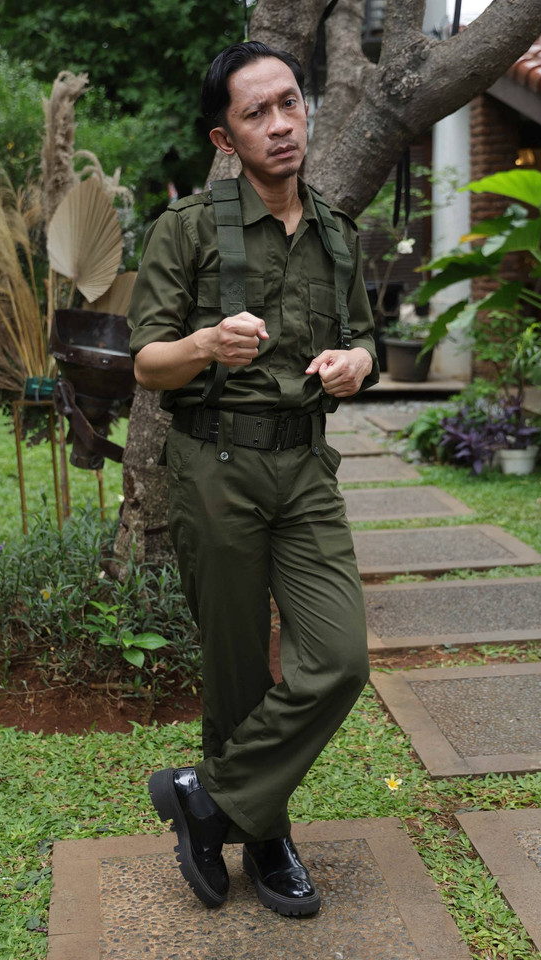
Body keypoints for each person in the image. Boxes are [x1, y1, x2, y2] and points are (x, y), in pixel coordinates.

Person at [127, 40, 379, 917]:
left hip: (305, 465)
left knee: (339, 658)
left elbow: (366, 339)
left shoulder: (338, 234)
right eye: (256, 113)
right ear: (224, 136)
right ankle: (265, 835)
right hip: (215, 464)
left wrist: (359, 362)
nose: (280, 124)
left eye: (289, 104)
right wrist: (202, 344)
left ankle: (207, 799)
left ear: (306, 109)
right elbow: (147, 364)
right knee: (236, 673)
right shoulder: (187, 228)